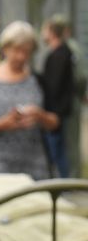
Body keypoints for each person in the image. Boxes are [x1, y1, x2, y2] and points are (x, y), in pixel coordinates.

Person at [0, 21, 58, 180]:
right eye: (17, 50)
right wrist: (5, 123)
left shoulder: (38, 80)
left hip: (35, 165)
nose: (21, 57)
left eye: (26, 52)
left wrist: (39, 115)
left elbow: (56, 122)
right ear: (5, 48)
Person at [40, 15, 78, 177]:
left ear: (51, 32)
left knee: (56, 149)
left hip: (55, 110)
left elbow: (53, 86)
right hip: (58, 109)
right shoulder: (62, 53)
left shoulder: (59, 55)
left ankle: (62, 182)